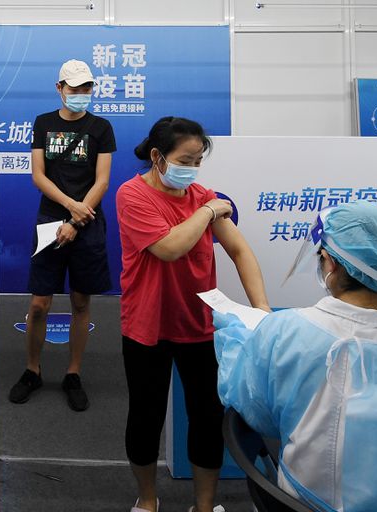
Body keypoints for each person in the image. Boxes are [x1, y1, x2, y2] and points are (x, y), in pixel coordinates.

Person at [214, 200, 377, 512]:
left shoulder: (282, 332)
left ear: (330, 264)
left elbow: (256, 413)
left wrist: (238, 341)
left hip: (294, 502)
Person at [116, 116, 270, 512]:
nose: (194, 169)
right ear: (157, 156)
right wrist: (206, 212)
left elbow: (240, 251)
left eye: (199, 160)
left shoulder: (204, 195)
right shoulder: (132, 195)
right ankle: (147, 500)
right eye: (187, 159)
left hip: (200, 325)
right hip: (146, 325)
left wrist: (262, 309)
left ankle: (205, 506)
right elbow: (169, 247)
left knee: (206, 416)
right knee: (146, 416)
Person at [8, 58, 116, 412]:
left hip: (86, 222)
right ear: (60, 89)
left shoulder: (101, 127)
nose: (82, 94)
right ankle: (32, 370)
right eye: (75, 89)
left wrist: (77, 219)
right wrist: (70, 208)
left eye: (87, 88)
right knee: (39, 303)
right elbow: (38, 176)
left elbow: (102, 180)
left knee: (81, 302)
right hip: (51, 220)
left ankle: (73, 373)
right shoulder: (44, 123)